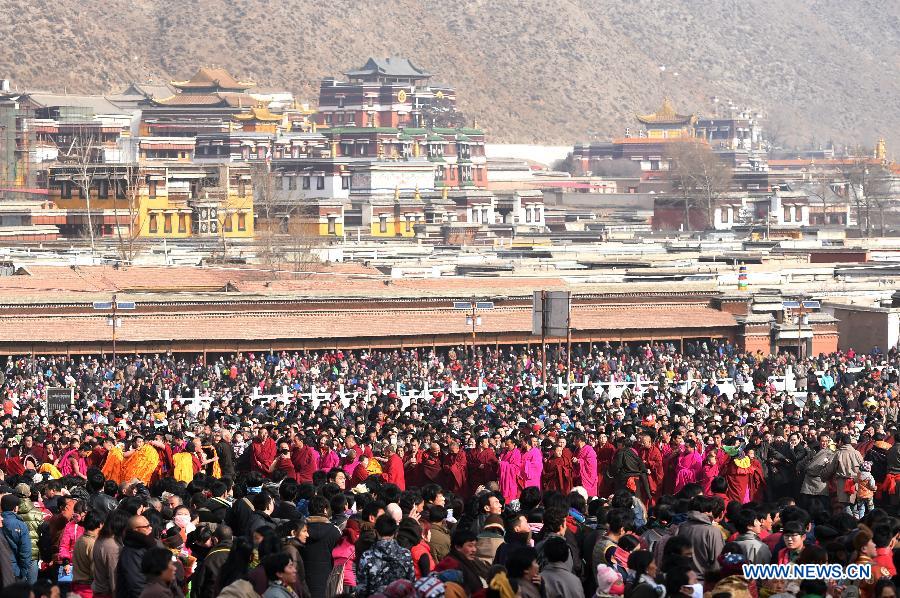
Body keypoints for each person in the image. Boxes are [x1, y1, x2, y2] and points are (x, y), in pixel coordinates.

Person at [356, 514, 415, 597]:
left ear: (376, 532)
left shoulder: (367, 556)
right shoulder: (406, 554)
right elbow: (411, 582)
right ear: (396, 533)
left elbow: (361, 589)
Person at [298, 496, 339, 598]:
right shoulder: (334, 531)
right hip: (327, 579)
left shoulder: (301, 530)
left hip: (303, 579)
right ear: (325, 510)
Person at [116, 515, 158, 598]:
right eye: (146, 526)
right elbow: (137, 584)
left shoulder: (148, 544)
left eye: (149, 525)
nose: (150, 528)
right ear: (135, 529)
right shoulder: (131, 551)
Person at [93, 509, 128, 598]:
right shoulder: (112, 546)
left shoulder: (101, 539)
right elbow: (114, 577)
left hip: (99, 590)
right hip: (107, 593)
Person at [0, 494, 32, 584]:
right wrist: (23, 571)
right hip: (14, 570)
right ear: (16, 508)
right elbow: (25, 551)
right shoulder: (20, 525)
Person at [71, 510, 102, 598]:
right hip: (88, 589)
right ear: (100, 524)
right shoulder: (93, 543)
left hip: (76, 586)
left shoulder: (80, 539)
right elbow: (95, 570)